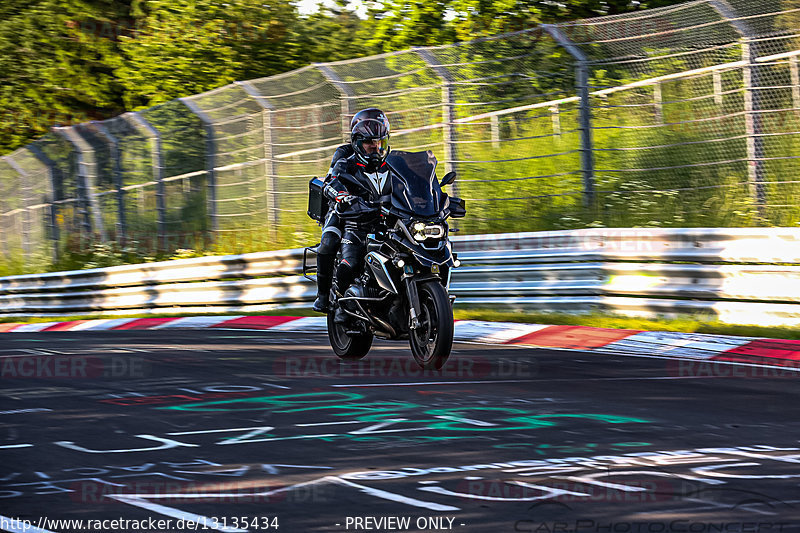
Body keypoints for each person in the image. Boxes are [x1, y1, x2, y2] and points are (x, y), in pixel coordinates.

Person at [313, 108, 391, 313]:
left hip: (380, 213)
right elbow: (330, 182)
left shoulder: (392, 163)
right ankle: (326, 297)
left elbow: (410, 182)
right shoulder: (345, 161)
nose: (375, 148)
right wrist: (341, 196)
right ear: (357, 142)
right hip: (346, 212)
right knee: (329, 242)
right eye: (369, 143)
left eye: (379, 143)